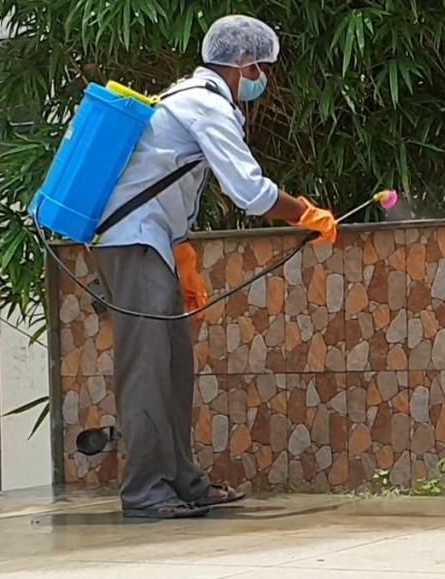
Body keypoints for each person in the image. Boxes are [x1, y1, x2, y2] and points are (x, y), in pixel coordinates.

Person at [95, 15, 338, 518]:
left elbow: (169, 191)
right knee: (146, 370)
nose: (263, 80)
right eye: (262, 69)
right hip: (133, 245)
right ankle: (145, 491)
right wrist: (304, 213)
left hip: (154, 244)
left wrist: (182, 259)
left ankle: (183, 481)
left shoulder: (186, 100)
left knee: (175, 368)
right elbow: (249, 192)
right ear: (245, 65)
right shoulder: (205, 105)